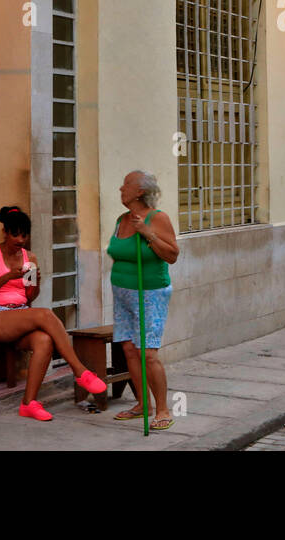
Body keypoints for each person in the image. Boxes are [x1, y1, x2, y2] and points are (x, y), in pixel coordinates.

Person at [0, 206, 108, 421]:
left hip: (18, 314)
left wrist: (35, 281)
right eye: (15, 234)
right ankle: (80, 371)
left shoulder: (30, 257)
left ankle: (29, 403)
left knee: (44, 340)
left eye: (24, 235)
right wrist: (9, 276)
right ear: (5, 232)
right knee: (45, 315)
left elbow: (29, 298)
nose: (20, 240)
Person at [108, 170, 180, 431]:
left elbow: (172, 255)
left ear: (140, 191)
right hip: (123, 292)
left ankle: (163, 409)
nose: (120, 188)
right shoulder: (120, 219)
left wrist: (147, 232)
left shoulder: (157, 218)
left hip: (149, 293)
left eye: (126, 184)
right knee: (129, 350)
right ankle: (142, 404)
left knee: (147, 353)